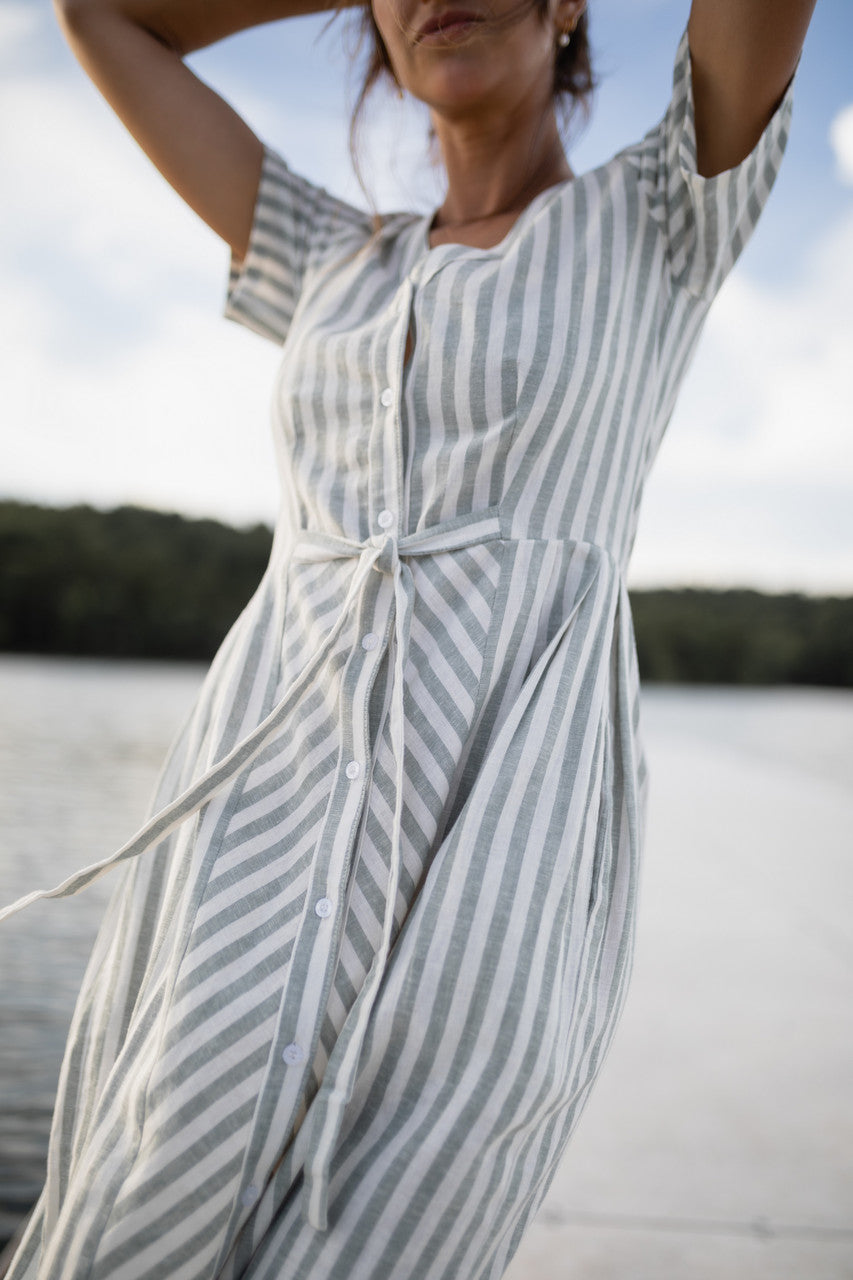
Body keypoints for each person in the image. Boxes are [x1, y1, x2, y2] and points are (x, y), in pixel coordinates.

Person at [1, 0, 817, 1276]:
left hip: (500, 837)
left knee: (389, 1231)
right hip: (253, 824)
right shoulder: (328, 251)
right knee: (139, 1205)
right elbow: (101, 17)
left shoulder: (662, 213)